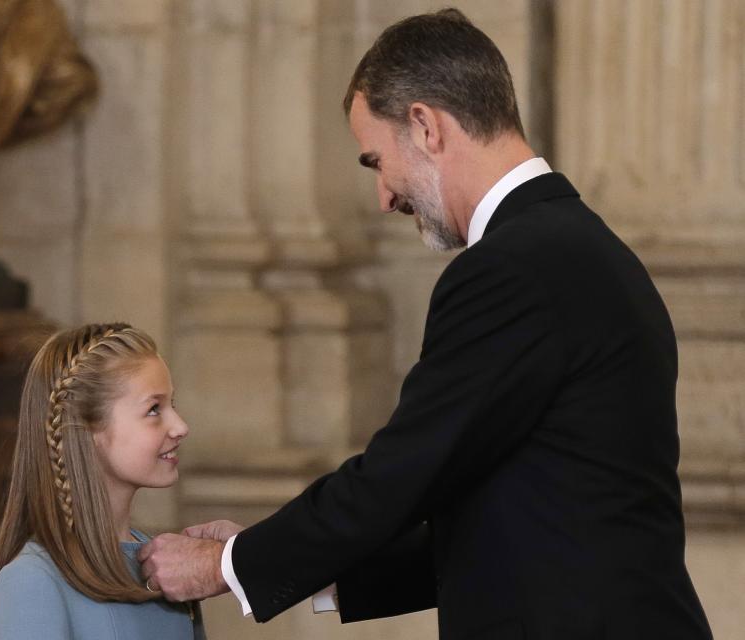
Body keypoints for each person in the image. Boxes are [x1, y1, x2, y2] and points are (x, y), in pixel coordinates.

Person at [138, 9, 713, 640]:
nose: (385, 197)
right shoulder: (581, 248)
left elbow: (399, 475)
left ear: (425, 125)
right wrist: (274, 559)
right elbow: (504, 523)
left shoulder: (511, 268)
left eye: (376, 161)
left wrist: (223, 566)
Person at [0, 323, 205, 640]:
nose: (180, 426)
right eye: (154, 409)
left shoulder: (167, 569)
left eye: (173, 404)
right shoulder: (32, 582)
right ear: (87, 430)